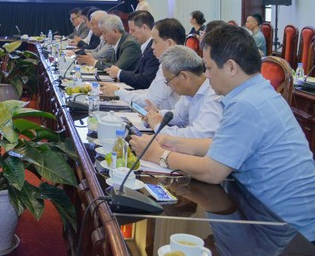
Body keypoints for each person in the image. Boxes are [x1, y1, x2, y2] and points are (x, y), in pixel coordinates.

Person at [129, 24, 315, 240]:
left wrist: (159, 155)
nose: (206, 76)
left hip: (286, 228)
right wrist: (168, 140)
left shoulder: (247, 104)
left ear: (231, 67)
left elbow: (212, 172)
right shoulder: (255, 93)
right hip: (261, 212)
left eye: (208, 68)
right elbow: (220, 144)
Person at [101, 17, 186, 111]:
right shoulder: (168, 62)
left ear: (170, 43)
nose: (152, 47)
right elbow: (151, 92)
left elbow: (150, 100)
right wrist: (120, 91)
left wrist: (118, 92)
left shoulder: (173, 65)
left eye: (155, 42)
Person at [144, 46, 223, 138]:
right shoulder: (189, 92)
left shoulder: (213, 96)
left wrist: (158, 127)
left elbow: (199, 135)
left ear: (184, 76)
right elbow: (179, 116)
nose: (167, 85)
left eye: (168, 80)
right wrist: (157, 114)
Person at [104, 10, 159, 89]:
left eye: (133, 30)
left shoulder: (154, 49)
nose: (132, 34)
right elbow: (138, 73)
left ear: (144, 27)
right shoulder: (145, 46)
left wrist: (119, 73)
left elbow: (145, 80)